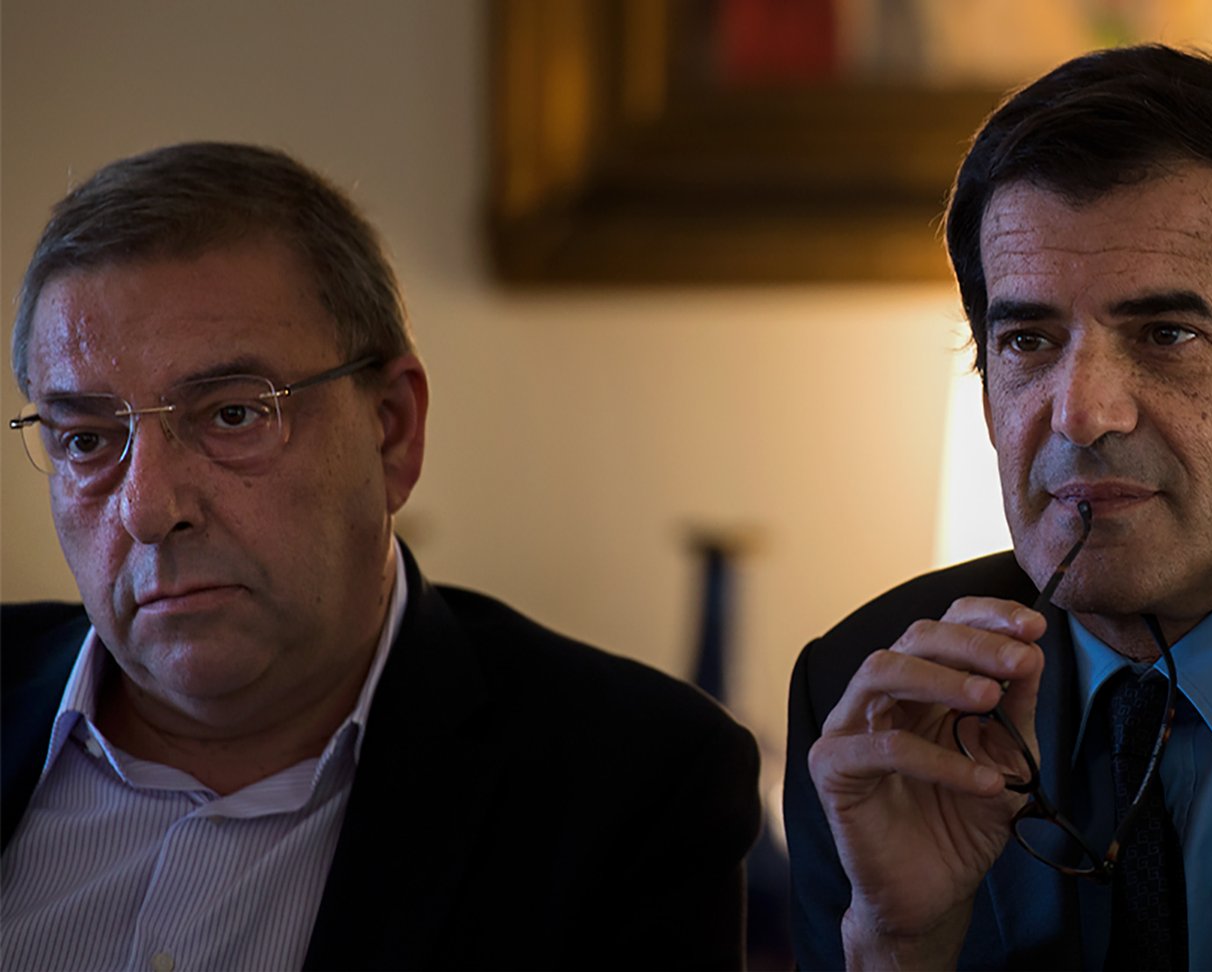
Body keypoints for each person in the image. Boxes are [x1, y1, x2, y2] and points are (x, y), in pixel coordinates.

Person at [1, 142, 761, 971]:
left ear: (392, 430)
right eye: (86, 438)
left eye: (232, 415)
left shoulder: (632, 785)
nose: (149, 510)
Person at [785, 45, 1212, 971]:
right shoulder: (881, 703)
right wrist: (901, 948)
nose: (1082, 413)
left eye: (1166, 334)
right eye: (1028, 341)